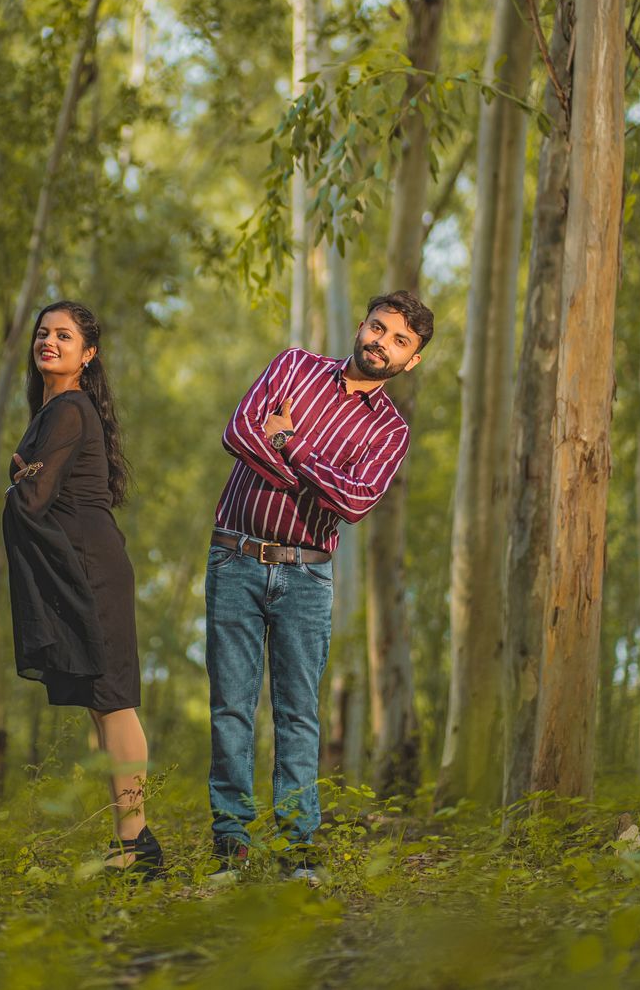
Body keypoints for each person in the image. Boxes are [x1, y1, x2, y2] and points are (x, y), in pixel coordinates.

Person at [205, 289, 434, 884]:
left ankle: (295, 850)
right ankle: (230, 845)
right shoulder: (294, 366)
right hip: (235, 556)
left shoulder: (391, 431)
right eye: (379, 328)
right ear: (362, 325)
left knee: (298, 714)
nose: (382, 343)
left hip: (307, 575)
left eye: (400, 341)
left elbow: (354, 502)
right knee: (231, 707)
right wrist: (312, 474)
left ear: (411, 361)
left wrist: (288, 442)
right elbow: (238, 434)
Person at [2, 300, 163, 879]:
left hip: (93, 569)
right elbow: (36, 488)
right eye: (43, 333)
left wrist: (20, 479)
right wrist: (25, 477)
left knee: (113, 702)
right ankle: (129, 842)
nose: (49, 341)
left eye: (64, 336)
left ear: (88, 354)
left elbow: (32, 497)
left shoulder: (69, 408)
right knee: (103, 705)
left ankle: (138, 844)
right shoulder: (56, 411)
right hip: (82, 562)